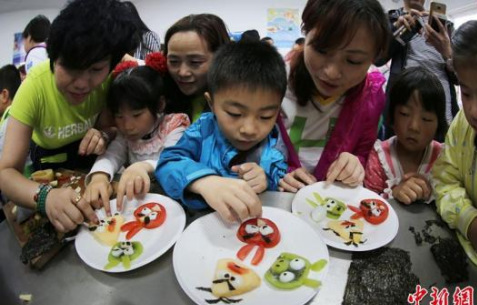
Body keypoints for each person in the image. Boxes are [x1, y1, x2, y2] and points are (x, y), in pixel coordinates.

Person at [0, 0, 138, 233]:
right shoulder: (33, 88)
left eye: (95, 70)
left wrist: (104, 134)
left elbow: (109, 128)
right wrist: (45, 198)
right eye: (71, 67)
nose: (82, 84)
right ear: (54, 58)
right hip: (47, 163)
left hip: (89, 166)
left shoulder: (110, 80)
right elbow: (6, 173)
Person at [155, 42, 288, 223]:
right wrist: (204, 181)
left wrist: (266, 179)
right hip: (201, 226)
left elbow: (279, 174)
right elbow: (167, 163)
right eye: (235, 114)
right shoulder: (203, 130)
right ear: (211, 103)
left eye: (265, 116)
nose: (249, 129)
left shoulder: (273, 138)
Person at [278, 0, 390, 193]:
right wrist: (276, 172)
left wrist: (354, 165)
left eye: (353, 61)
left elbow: (362, 153)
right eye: (321, 50)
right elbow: (250, 147)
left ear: (373, 57)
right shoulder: (275, 82)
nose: (331, 72)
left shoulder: (370, 96)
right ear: (305, 32)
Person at [432, 21, 477, 273]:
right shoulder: (462, 123)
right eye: (466, 93)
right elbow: (444, 178)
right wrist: (468, 221)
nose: (473, 111)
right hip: (458, 247)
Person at [84, 53, 190, 213]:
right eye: (119, 116)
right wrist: (99, 175)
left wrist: (143, 166)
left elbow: (174, 158)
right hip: (141, 205)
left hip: (175, 204)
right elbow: (113, 155)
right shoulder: (125, 134)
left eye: (136, 115)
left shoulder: (174, 125)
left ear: (160, 105)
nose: (127, 125)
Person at [364, 67, 447, 204]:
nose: (414, 127)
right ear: (392, 115)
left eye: (426, 119)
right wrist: (394, 194)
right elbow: (367, 204)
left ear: (439, 124)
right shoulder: (379, 158)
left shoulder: (444, 159)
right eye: (404, 114)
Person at [376, 0, 458, 136]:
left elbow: (459, 78)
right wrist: (398, 31)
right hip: (404, 107)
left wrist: (448, 53)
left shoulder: (446, 26)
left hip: (441, 110)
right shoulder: (391, 20)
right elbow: (378, 59)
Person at [163, 14, 230, 122]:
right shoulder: (160, 98)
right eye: (173, 61)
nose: (182, 72)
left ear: (220, 58)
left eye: (195, 62)